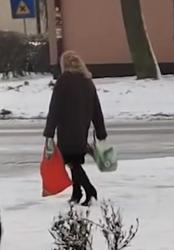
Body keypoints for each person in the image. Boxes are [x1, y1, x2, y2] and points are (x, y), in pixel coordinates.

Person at [43, 50, 107, 206]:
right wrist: (100, 131)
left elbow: (55, 108)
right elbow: (96, 109)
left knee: (72, 162)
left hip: (66, 129)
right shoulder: (87, 81)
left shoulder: (64, 81)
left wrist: (49, 132)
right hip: (81, 128)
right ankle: (77, 193)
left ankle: (90, 191)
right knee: (75, 160)